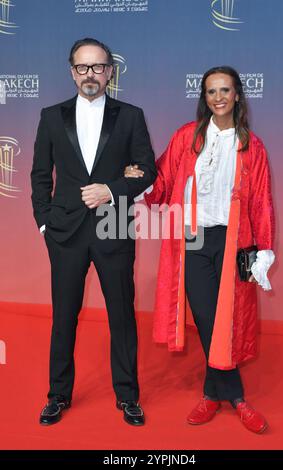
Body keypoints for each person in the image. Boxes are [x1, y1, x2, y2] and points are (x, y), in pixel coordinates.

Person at [125, 66, 275, 433]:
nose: (218, 97)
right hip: (191, 238)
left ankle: (214, 395)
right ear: (204, 97)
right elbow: (161, 179)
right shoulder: (186, 138)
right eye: (211, 91)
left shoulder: (251, 146)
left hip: (233, 241)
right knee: (209, 320)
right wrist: (139, 180)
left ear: (238, 95)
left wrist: (265, 249)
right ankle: (235, 397)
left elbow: (262, 203)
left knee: (228, 320)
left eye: (225, 90)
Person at [31, 38, 157, 427]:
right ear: (72, 71)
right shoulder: (51, 116)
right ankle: (58, 395)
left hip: (114, 227)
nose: (90, 74)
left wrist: (111, 189)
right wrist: (45, 222)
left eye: (98, 67)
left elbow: (147, 171)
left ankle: (127, 396)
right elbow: (39, 175)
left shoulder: (131, 116)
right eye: (83, 67)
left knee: (121, 315)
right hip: (65, 232)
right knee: (63, 316)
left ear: (110, 72)